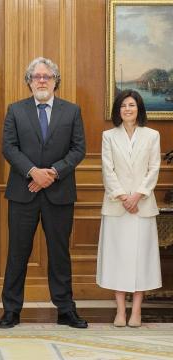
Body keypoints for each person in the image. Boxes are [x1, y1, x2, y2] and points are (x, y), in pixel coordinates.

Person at [0, 57, 87, 329]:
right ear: (28, 82)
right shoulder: (15, 110)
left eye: (46, 76)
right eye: (36, 77)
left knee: (59, 253)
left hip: (59, 194)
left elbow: (78, 149)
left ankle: (65, 310)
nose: (41, 81)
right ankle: (11, 311)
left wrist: (52, 173)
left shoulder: (71, 111)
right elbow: (9, 148)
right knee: (17, 253)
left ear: (55, 81)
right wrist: (33, 172)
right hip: (23, 192)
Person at [97, 89, 161, 328]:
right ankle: (121, 312)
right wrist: (124, 197)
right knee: (118, 259)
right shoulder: (109, 136)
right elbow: (107, 169)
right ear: (118, 110)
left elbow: (153, 169)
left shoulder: (152, 135)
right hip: (117, 206)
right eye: (123, 105)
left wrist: (138, 195)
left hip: (142, 206)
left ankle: (136, 312)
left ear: (139, 109)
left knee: (141, 259)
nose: (127, 109)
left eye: (132, 105)